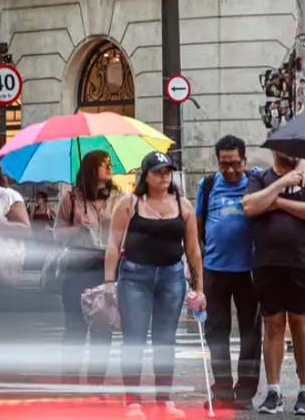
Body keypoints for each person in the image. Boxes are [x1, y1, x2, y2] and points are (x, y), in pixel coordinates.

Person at [104, 151, 205, 420]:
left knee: (165, 341)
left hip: (172, 277)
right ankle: (132, 401)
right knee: (133, 339)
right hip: (135, 277)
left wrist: (200, 288)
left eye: (167, 171)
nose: (164, 176)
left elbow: (193, 251)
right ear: (145, 176)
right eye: (158, 171)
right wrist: (108, 283)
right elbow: (113, 245)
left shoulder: (183, 205)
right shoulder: (129, 203)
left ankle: (164, 400)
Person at [243, 151, 305, 416]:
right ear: (274, 148)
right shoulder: (260, 178)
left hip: (302, 261)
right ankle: (274, 391)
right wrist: (282, 183)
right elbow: (249, 207)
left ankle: (304, 390)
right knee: (273, 324)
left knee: (301, 322)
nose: (289, 150)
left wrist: (277, 202)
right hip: (267, 261)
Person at [194, 135, 261, 410]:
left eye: (235, 164)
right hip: (214, 270)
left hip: (250, 271)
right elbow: (197, 225)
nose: (230, 170)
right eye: (224, 164)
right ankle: (222, 388)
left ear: (244, 160)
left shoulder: (257, 181)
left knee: (251, 333)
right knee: (216, 331)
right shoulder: (208, 185)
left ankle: (245, 390)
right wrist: (195, 265)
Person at [54, 150, 123, 387]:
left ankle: (96, 383)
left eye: (110, 164)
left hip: (107, 266)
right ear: (91, 169)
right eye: (104, 164)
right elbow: (57, 236)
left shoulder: (119, 197)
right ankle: (70, 382)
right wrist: (76, 227)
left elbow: (127, 232)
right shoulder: (71, 199)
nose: (109, 168)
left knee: (103, 327)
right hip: (77, 266)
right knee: (74, 327)